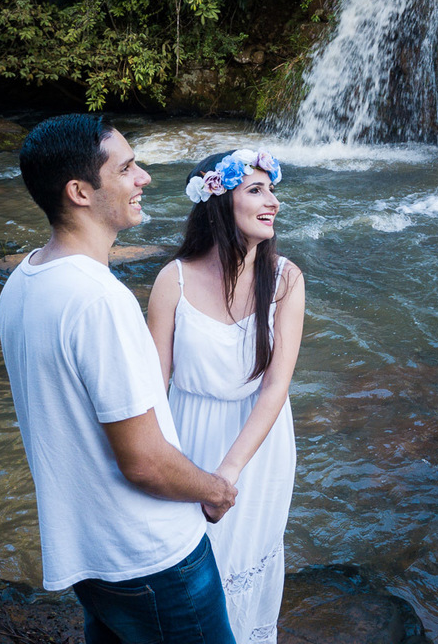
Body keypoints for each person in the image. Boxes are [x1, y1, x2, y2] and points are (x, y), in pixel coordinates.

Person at [0, 114, 239, 644]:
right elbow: (145, 461)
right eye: (127, 168)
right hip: (153, 557)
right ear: (80, 191)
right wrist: (216, 489)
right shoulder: (98, 300)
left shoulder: (23, 281)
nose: (144, 177)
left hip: (92, 556)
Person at [147, 148, 304, 644]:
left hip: (258, 446)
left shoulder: (285, 280)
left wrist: (230, 471)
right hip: (188, 440)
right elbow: (152, 389)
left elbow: (277, 385)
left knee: (247, 567)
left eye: (272, 189)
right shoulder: (172, 280)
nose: (272, 201)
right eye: (255, 190)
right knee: (189, 578)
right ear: (218, 201)